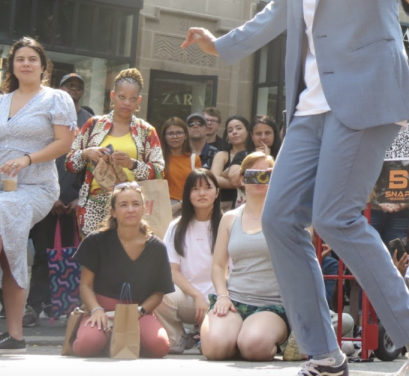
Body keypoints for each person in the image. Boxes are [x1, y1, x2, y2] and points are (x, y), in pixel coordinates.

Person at [182, 0, 409, 376]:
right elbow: (280, 9)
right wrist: (223, 43)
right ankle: (324, 353)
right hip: (309, 106)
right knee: (279, 218)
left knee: (335, 215)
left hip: (365, 94)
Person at [0, 38, 77, 352]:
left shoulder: (56, 98)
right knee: (9, 250)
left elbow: (64, 144)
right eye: (20, 59)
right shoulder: (2, 100)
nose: (26, 64)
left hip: (36, 187)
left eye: (33, 59)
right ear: (13, 65)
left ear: (44, 66)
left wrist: (27, 159)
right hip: (4, 188)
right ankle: (15, 336)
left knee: (8, 216)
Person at [201, 152, 288, 361]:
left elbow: (307, 236)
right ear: (242, 179)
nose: (259, 179)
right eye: (252, 174)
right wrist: (222, 295)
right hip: (235, 299)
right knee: (214, 349)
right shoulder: (230, 218)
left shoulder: (287, 216)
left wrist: (282, 182)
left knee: (254, 346)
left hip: (272, 303)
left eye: (266, 174)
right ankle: (235, 338)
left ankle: (260, 339)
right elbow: (219, 266)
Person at [71, 182, 173, 358]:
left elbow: (158, 292)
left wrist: (140, 312)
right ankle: (101, 336)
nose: (130, 209)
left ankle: (125, 339)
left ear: (144, 208)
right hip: (101, 310)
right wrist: (96, 309)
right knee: (87, 346)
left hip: (138, 312)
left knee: (160, 346)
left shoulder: (157, 247)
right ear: (113, 212)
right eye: (123, 205)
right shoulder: (96, 241)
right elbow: (86, 286)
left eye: (135, 204)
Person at [26, 72, 93, 323]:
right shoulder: (45, 115)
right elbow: (35, 156)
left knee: (73, 257)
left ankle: (64, 308)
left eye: (78, 86)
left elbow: (92, 166)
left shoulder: (89, 122)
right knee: (43, 256)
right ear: (60, 88)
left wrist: (81, 199)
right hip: (46, 198)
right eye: (69, 85)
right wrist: (48, 196)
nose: (73, 89)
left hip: (77, 202)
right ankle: (34, 307)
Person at [67, 68, 164, 236]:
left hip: (131, 206)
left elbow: (159, 171)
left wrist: (132, 164)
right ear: (112, 96)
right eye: (122, 97)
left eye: (132, 99)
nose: (127, 103)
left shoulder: (146, 131)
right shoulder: (93, 125)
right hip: (93, 205)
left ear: (139, 101)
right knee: (94, 258)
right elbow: (69, 163)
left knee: (128, 255)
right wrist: (86, 153)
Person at [156, 169, 222, 353]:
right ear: (187, 195)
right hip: (189, 298)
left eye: (207, 187)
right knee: (159, 295)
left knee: (213, 346)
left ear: (217, 192)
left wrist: (217, 298)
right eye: (195, 188)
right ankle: (178, 337)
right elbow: (172, 270)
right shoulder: (176, 227)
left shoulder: (228, 224)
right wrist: (197, 295)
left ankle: (204, 334)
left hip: (221, 300)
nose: (201, 193)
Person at [161, 117, 201, 216]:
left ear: (186, 135)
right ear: (164, 137)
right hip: (163, 208)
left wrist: (181, 204)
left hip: (188, 206)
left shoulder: (194, 159)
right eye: (170, 133)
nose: (175, 136)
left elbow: (198, 187)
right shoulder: (158, 159)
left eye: (179, 133)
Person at [210, 116, 251, 211]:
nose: (234, 132)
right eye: (230, 130)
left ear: (248, 132)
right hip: (225, 205)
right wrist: (235, 182)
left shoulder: (254, 154)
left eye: (239, 128)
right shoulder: (222, 155)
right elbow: (214, 178)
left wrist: (228, 175)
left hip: (250, 204)